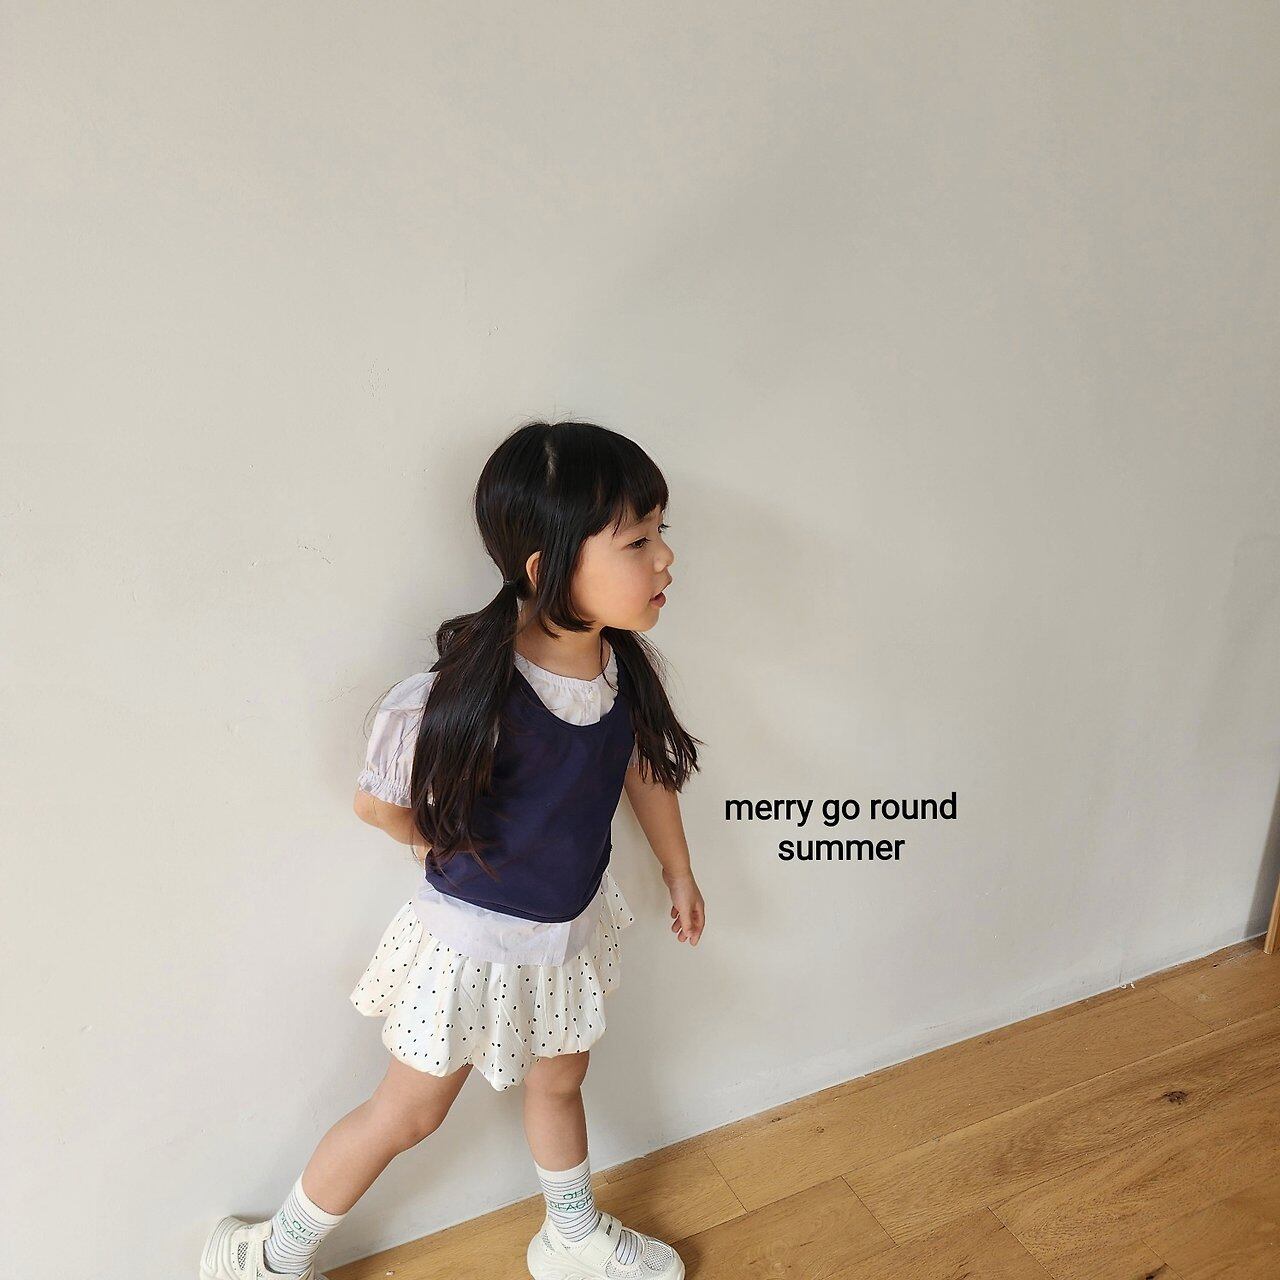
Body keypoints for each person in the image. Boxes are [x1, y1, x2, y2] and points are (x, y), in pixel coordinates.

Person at [199, 420, 705, 1280]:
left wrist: (678, 867)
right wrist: (435, 836)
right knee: (410, 1113)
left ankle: (570, 1235)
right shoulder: (479, 690)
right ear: (546, 567)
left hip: (567, 930)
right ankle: (269, 1256)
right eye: (637, 541)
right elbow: (378, 802)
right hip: (474, 945)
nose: (665, 559)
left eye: (663, 533)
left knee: (561, 1081)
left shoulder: (623, 668)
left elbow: (643, 766)